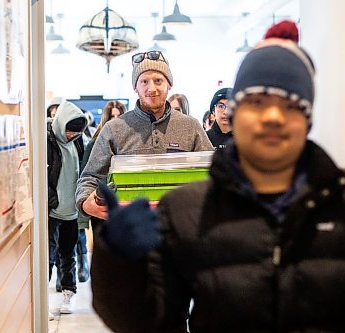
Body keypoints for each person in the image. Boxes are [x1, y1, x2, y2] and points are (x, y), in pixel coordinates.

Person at [91, 20, 345, 332]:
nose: (273, 116)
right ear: (236, 112)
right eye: (257, 101)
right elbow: (149, 322)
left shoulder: (338, 203)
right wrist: (119, 262)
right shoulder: (187, 212)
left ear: (307, 118)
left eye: (290, 105)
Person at [76, 50, 213, 221]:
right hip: (130, 231)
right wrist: (84, 202)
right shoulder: (113, 129)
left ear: (169, 85)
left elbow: (212, 173)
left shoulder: (191, 127)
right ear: (135, 87)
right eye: (144, 81)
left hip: (180, 229)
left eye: (158, 81)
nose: (152, 88)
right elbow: (90, 177)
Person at [76, 100, 127, 283]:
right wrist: (83, 216)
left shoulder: (130, 138)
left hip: (124, 207)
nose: (116, 119)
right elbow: (86, 177)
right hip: (101, 208)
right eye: (112, 116)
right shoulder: (96, 143)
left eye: (119, 115)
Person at [47, 101, 87, 315]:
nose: (72, 135)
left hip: (72, 211)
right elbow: (41, 175)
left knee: (68, 254)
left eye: (76, 132)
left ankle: (68, 294)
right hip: (52, 211)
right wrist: (51, 199)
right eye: (69, 131)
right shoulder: (47, 140)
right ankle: (40, 300)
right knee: (48, 256)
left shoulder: (78, 142)